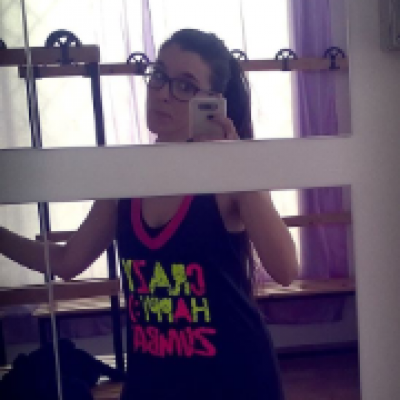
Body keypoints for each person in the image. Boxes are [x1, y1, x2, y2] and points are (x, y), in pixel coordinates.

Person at [0, 29, 298, 399]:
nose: (162, 93)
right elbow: (67, 261)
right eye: (159, 75)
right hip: (152, 380)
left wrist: (235, 163)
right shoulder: (126, 178)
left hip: (235, 379)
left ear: (213, 102)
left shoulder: (228, 178)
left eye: (185, 85)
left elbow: (285, 269)